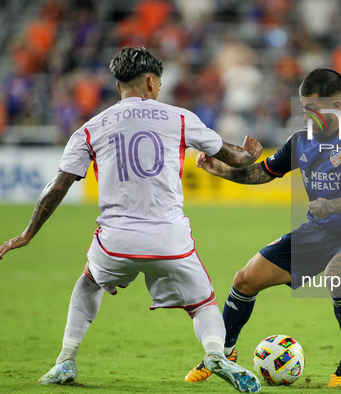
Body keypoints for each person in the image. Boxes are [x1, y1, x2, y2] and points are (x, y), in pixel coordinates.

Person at [0, 46, 262, 393]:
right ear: (152, 82)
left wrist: (28, 233)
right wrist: (251, 153)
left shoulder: (90, 129)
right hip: (171, 242)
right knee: (203, 306)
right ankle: (215, 352)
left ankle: (66, 359)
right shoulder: (180, 117)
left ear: (118, 84)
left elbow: (57, 186)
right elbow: (236, 157)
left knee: (89, 283)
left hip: (116, 240)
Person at [185, 68, 341, 388]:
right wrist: (221, 171)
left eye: (312, 109)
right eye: (303, 108)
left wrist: (332, 205)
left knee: (338, 277)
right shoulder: (301, 141)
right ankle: (223, 355)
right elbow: (263, 172)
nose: (305, 116)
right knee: (244, 279)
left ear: (336, 108)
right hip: (318, 231)